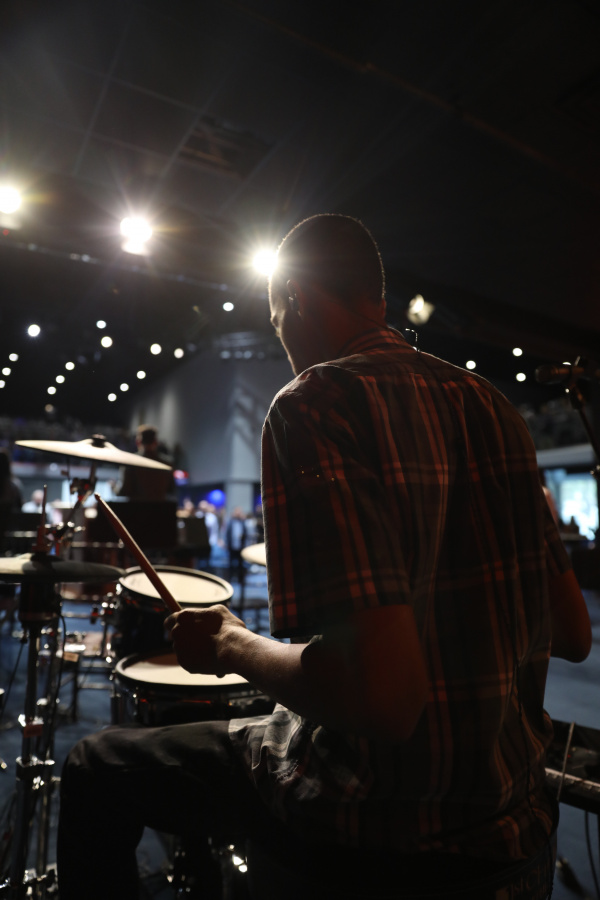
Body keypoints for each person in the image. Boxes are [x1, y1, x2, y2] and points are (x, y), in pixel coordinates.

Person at [57, 215, 591, 899]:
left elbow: (385, 702)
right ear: (376, 296)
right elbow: (572, 633)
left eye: (276, 319)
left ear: (296, 297)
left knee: (96, 767)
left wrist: (230, 643)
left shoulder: (313, 402)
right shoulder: (497, 408)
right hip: (514, 818)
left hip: (375, 822)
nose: (283, 340)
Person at [115, 424, 176, 501]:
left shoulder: (130, 462)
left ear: (138, 442)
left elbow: (124, 491)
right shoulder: (167, 464)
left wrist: (114, 487)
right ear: (156, 442)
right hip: (159, 508)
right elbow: (171, 489)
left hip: (136, 508)